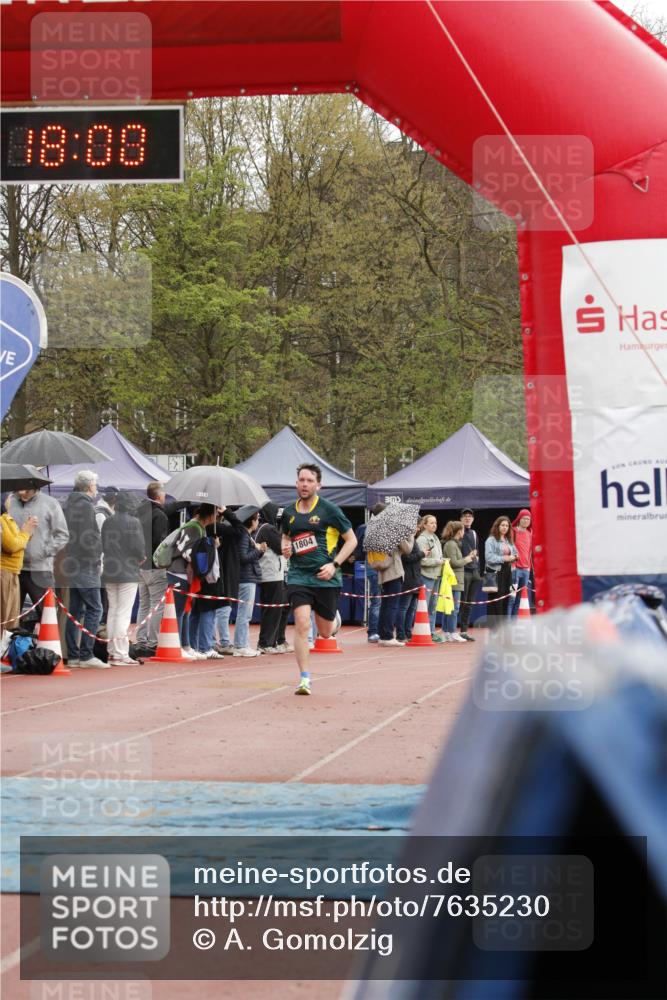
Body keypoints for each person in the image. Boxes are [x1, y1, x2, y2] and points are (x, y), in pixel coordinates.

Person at [281, 463, 357, 696]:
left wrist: (334, 566)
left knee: (324, 632)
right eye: (301, 480)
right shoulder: (288, 513)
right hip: (299, 575)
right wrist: (285, 546)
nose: (304, 484)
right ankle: (305, 678)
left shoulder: (330, 510)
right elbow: (285, 536)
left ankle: (334, 621)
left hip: (325, 577)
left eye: (309, 481)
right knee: (302, 624)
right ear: (296, 483)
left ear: (318, 485)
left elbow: (352, 540)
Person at [62, 470, 107, 668]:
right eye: (95, 485)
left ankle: (73, 655)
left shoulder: (69, 504)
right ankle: (86, 654)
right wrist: (96, 556)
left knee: (75, 610)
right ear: (90, 486)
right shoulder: (87, 507)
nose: (96, 488)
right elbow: (89, 537)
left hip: (73, 560)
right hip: (85, 562)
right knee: (95, 608)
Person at [135, 483, 187, 652]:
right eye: (164, 492)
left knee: (144, 604)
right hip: (155, 566)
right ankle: (153, 641)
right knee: (157, 605)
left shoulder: (140, 511)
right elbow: (161, 543)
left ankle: (141, 640)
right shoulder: (160, 516)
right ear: (158, 496)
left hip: (141, 565)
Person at [8, 484, 69, 623]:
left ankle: (46, 645)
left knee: (47, 617)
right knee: (9, 616)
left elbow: (62, 535)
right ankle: (9, 644)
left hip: (39, 570)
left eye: (24, 483)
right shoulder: (10, 503)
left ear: (33, 484)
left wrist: (45, 551)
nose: (20, 487)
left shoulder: (50, 503)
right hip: (12, 569)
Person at [166, 502, 218, 658]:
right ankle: (180, 645)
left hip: (186, 573)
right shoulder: (194, 527)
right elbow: (188, 551)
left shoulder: (199, 528)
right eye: (216, 514)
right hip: (179, 572)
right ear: (210, 515)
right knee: (181, 610)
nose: (217, 518)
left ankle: (186, 645)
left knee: (187, 610)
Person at [101, 491, 146, 665]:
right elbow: (138, 546)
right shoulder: (134, 522)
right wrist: (141, 556)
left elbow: (103, 544)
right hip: (128, 570)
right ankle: (120, 653)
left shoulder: (107, 521)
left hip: (111, 569)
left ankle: (113, 651)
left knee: (113, 611)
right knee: (123, 613)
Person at [256, 503, 289, 654]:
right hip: (271, 575)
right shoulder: (268, 529)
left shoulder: (264, 528)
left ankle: (271, 641)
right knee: (272, 610)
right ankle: (266, 643)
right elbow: (281, 548)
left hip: (270, 574)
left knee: (273, 610)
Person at [0, 494, 38, 631]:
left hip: (13, 572)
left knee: (11, 618)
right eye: (10, 498)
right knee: (5, 616)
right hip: (4, 573)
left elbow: (19, 542)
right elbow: (11, 545)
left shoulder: (9, 519)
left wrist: (27, 530)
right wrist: (26, 533)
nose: (12, 501)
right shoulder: (2, 520)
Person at [233, 506, 265, 657]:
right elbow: (243, 558)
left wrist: (259, 551)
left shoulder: (247, 535)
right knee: (244, 614)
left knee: (245, 614)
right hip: (245, 578)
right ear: (252, 521)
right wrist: (258, 550)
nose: (258, 522)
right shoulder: (245, 536)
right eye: (257, 519)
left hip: (248, 577)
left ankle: (243, 644)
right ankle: (240, 645)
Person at [213, 507, 244, 654]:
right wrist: (227, 512)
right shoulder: (221, 529)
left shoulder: (214, 529)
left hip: (218, 573)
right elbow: (240, 529)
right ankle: (222, 641)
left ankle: (211, 641)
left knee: (213, 609)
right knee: (222, 609)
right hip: (223, 574)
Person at [373, 538, 413, 646]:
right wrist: (410, 536)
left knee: (385, 605)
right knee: (392, 606)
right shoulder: (395, 534)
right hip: (394, 573)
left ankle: (383, 635)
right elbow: (408, 549)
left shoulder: (380, 534)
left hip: (383, 574)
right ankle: (388, 636)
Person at [355, 504, 385, 642]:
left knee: (378, 600)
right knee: (377, 600)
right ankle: (373, 631)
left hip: (374, 566)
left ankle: (377, 631)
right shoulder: (372, 528)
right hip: (376, 566)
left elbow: (359, 550)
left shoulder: (363, 527)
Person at [441, 520, 475, 642]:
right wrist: (468, 559)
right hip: (454, 580)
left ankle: (447, 632)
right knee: (454, 607)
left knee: (451, 607)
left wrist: (467, 558)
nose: (463, 533)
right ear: (459, 531)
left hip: (456, 580)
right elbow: (454, 562)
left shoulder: (454, 544)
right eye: (462, 530)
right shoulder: (451, 544)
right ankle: (451, 632)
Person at [416, 515, 445, 642]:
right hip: (427, 576)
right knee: (425, 605)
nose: (434, 525)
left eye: (435, 522)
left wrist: (441, 561)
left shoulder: (435, 537)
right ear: (425, 524)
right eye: (431, 523)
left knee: (433, 606)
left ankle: (431, 631)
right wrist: (437, 562)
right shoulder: (422, 539)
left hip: (437, 575)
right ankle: (424, 632)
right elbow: (421, 560)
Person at [484, 515, 519, 625]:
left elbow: (515, 552)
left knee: (505, 599)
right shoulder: (491, 540)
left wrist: (515, 556)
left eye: (507, 526)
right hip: (495, 572)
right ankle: (495, 626)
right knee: (496, 600)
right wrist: (505, 558)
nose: (505, 527)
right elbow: (489, 558)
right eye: (502, 525)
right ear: (497, 526)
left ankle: (503, 626)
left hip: (507, 572)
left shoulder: (508, 540)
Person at [395, 527, 424, 643]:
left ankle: (408, 632)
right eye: (416, 526)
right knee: (403, 607)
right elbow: (405, 558)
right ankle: (400, 634)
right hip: (407, 578)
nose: (418, 528)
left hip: (416, 577)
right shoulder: (403, 539)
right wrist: (422, 554)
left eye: (418, 526)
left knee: (411, 608)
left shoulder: (413, 539)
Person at [458, 508, 480, 640]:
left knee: (469, 603)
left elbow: (476, 550)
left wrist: (476, 563)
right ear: (461, 518)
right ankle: (451, 630)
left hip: (474, 572)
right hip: (463, 571)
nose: (467, 518)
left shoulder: (474, 533)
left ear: (473, 519)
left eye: (470, 516)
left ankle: (464, 631)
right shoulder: (458, 532)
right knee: (460, 602)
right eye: (465, 516)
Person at [508, 508, 533, 616]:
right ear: (519, 519)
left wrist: (529, 568)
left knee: (518, 599)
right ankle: (508, 623)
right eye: (524, 518)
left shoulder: (530, 533)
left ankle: (513, 624)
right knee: (511, 598)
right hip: (515, 570)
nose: (526, 521)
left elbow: (530, 552)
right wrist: (512, 565)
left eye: (528, 519)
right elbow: (510, 549)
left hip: (526, 571)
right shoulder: (513, 531)